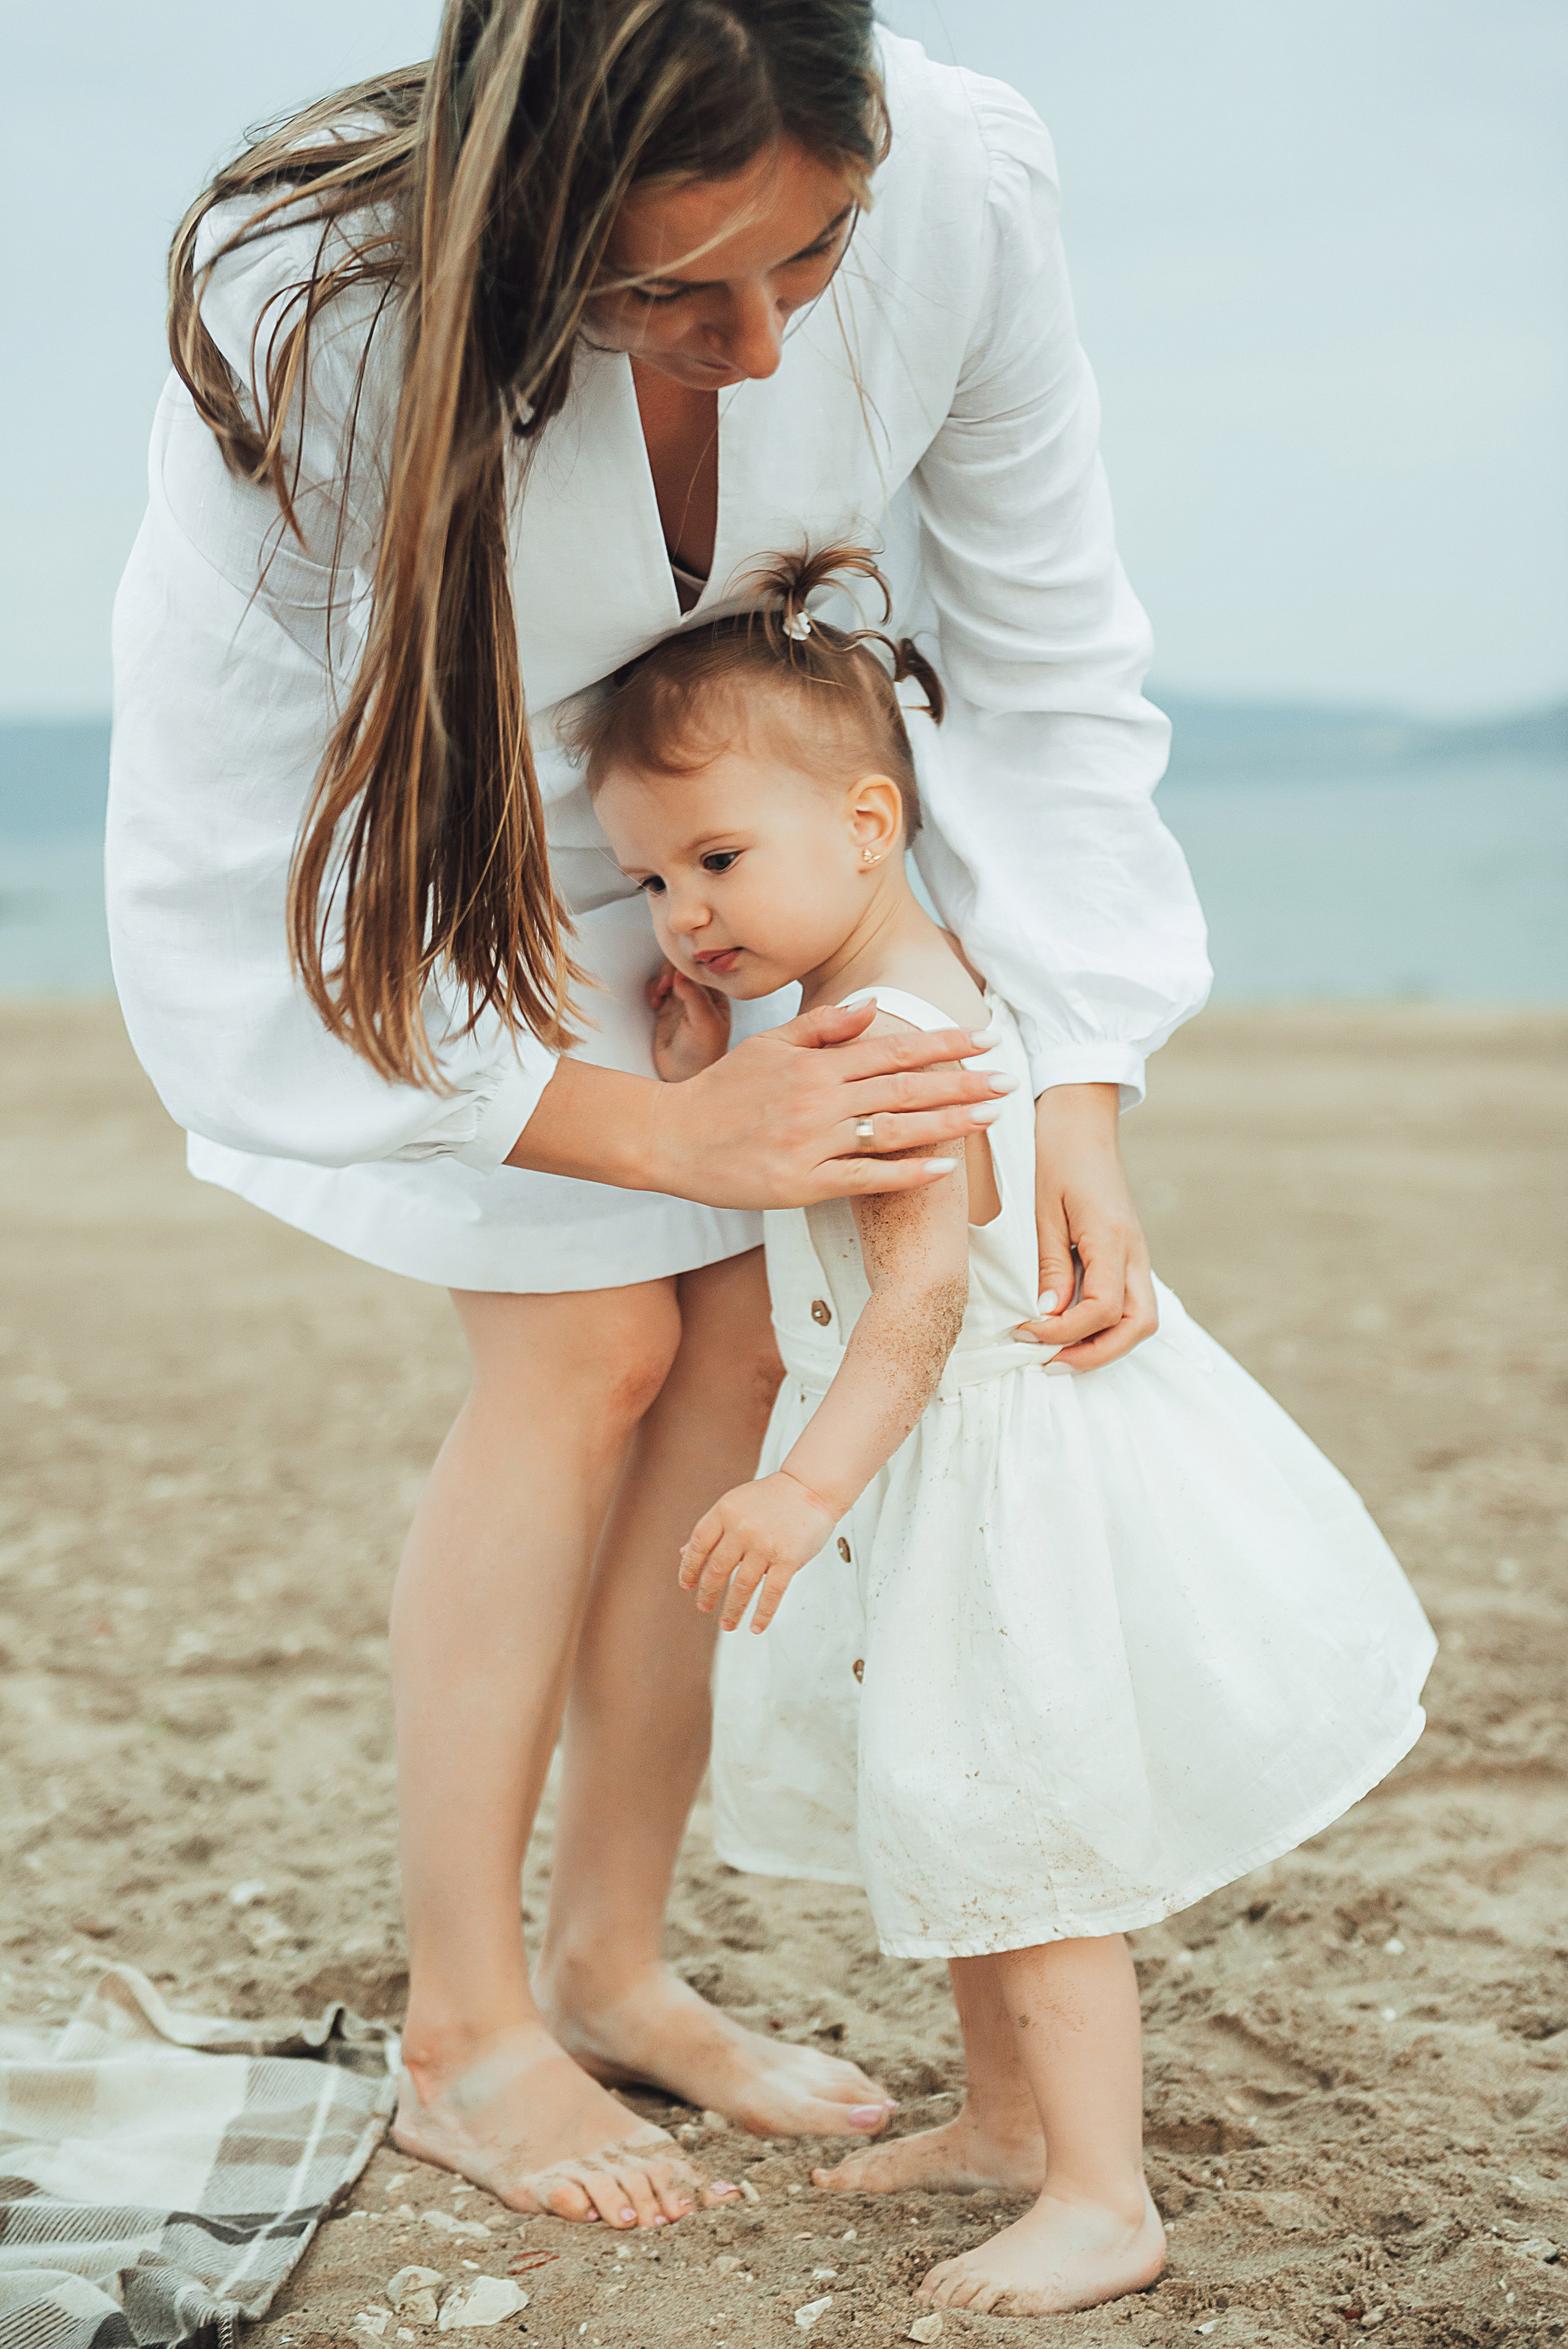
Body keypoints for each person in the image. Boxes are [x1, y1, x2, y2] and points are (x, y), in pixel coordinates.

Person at [106, 0, 1211, 2219]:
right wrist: (662, 1137)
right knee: (591, 1347)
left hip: (727, 843)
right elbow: (229, 880)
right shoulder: (319, 318)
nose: (767, 351)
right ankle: (465, 2023)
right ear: (528, 229)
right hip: (436, 861)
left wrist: (1077, 1068)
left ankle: (611, 1959)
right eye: (667, 292)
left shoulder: (975, 181)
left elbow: (1049, 651)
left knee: (723, 1363)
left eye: (814, 261)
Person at [575, 545, 1438, 2316]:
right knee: (959, 1808)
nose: (687, 911)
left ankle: (1105, 2191)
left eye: (720, 859)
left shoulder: (892, 1028)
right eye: (652, 879)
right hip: (941, 1474)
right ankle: (998, 2117)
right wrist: (688, 1060)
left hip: (970, 1472)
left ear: (870, 819)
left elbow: (917, 1299)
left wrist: (803, 1486)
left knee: (1027, 1834)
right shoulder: (866, 986)